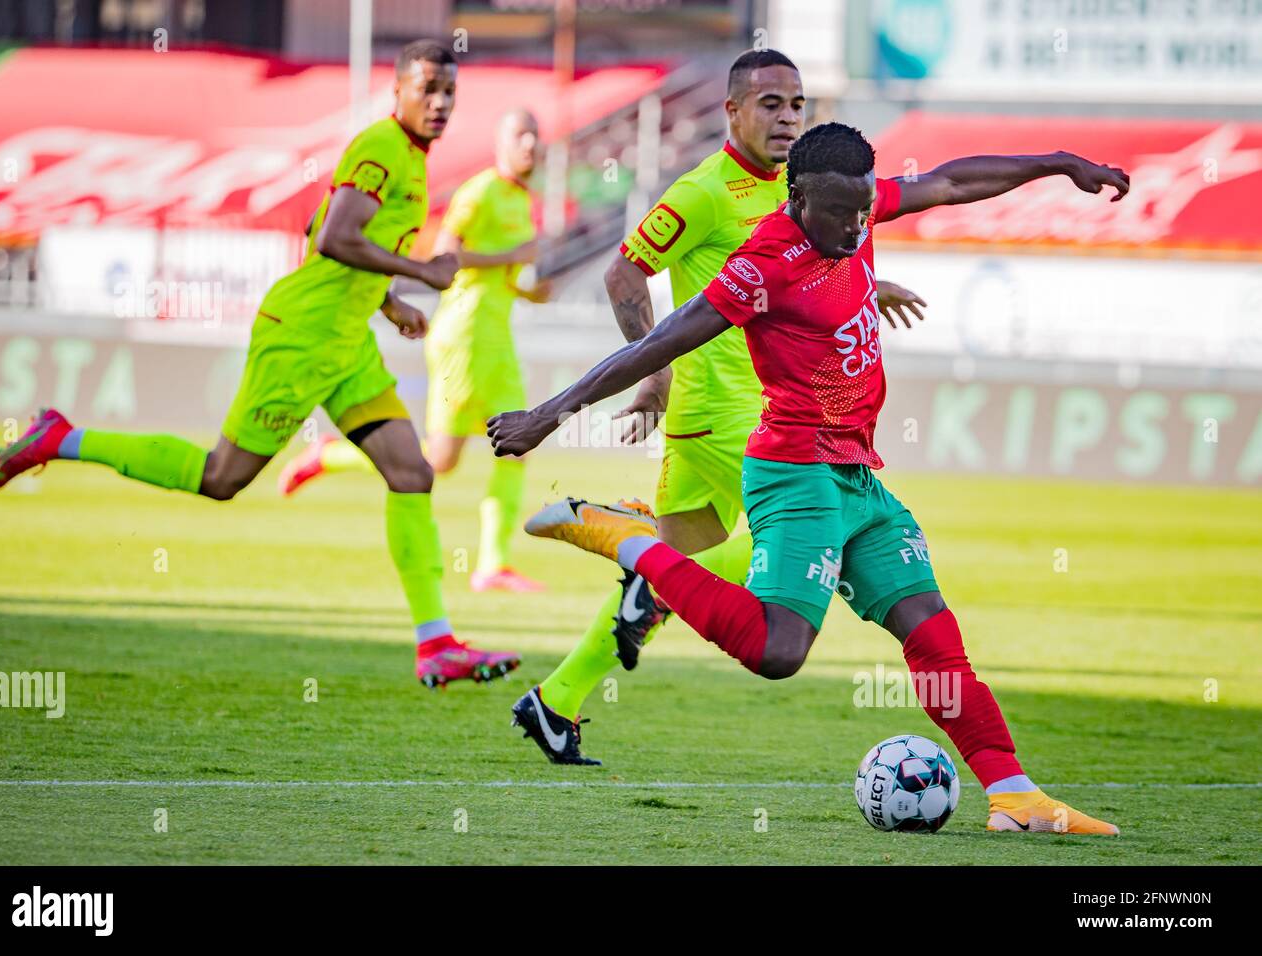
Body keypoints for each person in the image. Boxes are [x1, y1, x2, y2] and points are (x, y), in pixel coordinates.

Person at [489, 121, 1130, 835]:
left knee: (935, 638)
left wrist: (1056, 161)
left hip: (857, 474)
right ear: (797, 198)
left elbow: (950, 182)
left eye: (865, 210)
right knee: (777, 652)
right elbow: (661, 339)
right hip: (792, 470)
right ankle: (632, 540)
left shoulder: (853, 204)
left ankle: (1014, 797)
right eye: (841, 214)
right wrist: (551, 413)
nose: (857, 226)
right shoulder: (763, 261)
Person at [0, 40, 521, 690]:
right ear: (399, 91)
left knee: (412, 472)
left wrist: (387, 303)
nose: (439, 103)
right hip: (301, 338)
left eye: (449, 92)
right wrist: (420, 273)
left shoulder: (407, 156)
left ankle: (435, 643)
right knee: (221, 478)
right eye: (428, 89)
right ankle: (61, 438)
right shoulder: (382, 146)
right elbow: (333, 238)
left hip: (346, 344)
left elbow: (325, 234)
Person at [508, 49, 926, 765]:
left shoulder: (797, 187)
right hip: (741, 419)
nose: (788, 117)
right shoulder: (703, 192)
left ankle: (554, 701)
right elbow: (622, 273)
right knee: (777, 556)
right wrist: (656, 374)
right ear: (731, 112)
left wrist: (864, 284)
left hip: (717, 421)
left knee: (679, 573)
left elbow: (803, 263)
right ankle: (621, 538)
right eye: (770, 104)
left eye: (797, 104)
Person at [279, 110, 552, 594]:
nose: (531, 144)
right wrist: (510, 258)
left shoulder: (526, 201)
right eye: (520, 134)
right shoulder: (481, 190)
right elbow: (445, 254)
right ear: (500, 142)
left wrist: (530, 292)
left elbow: (502, 275)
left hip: (499, 339)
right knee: (439, 462)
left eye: (537, 135)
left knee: (518, 446)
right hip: (464, 336)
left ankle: (493, 565)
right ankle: (329, 454)